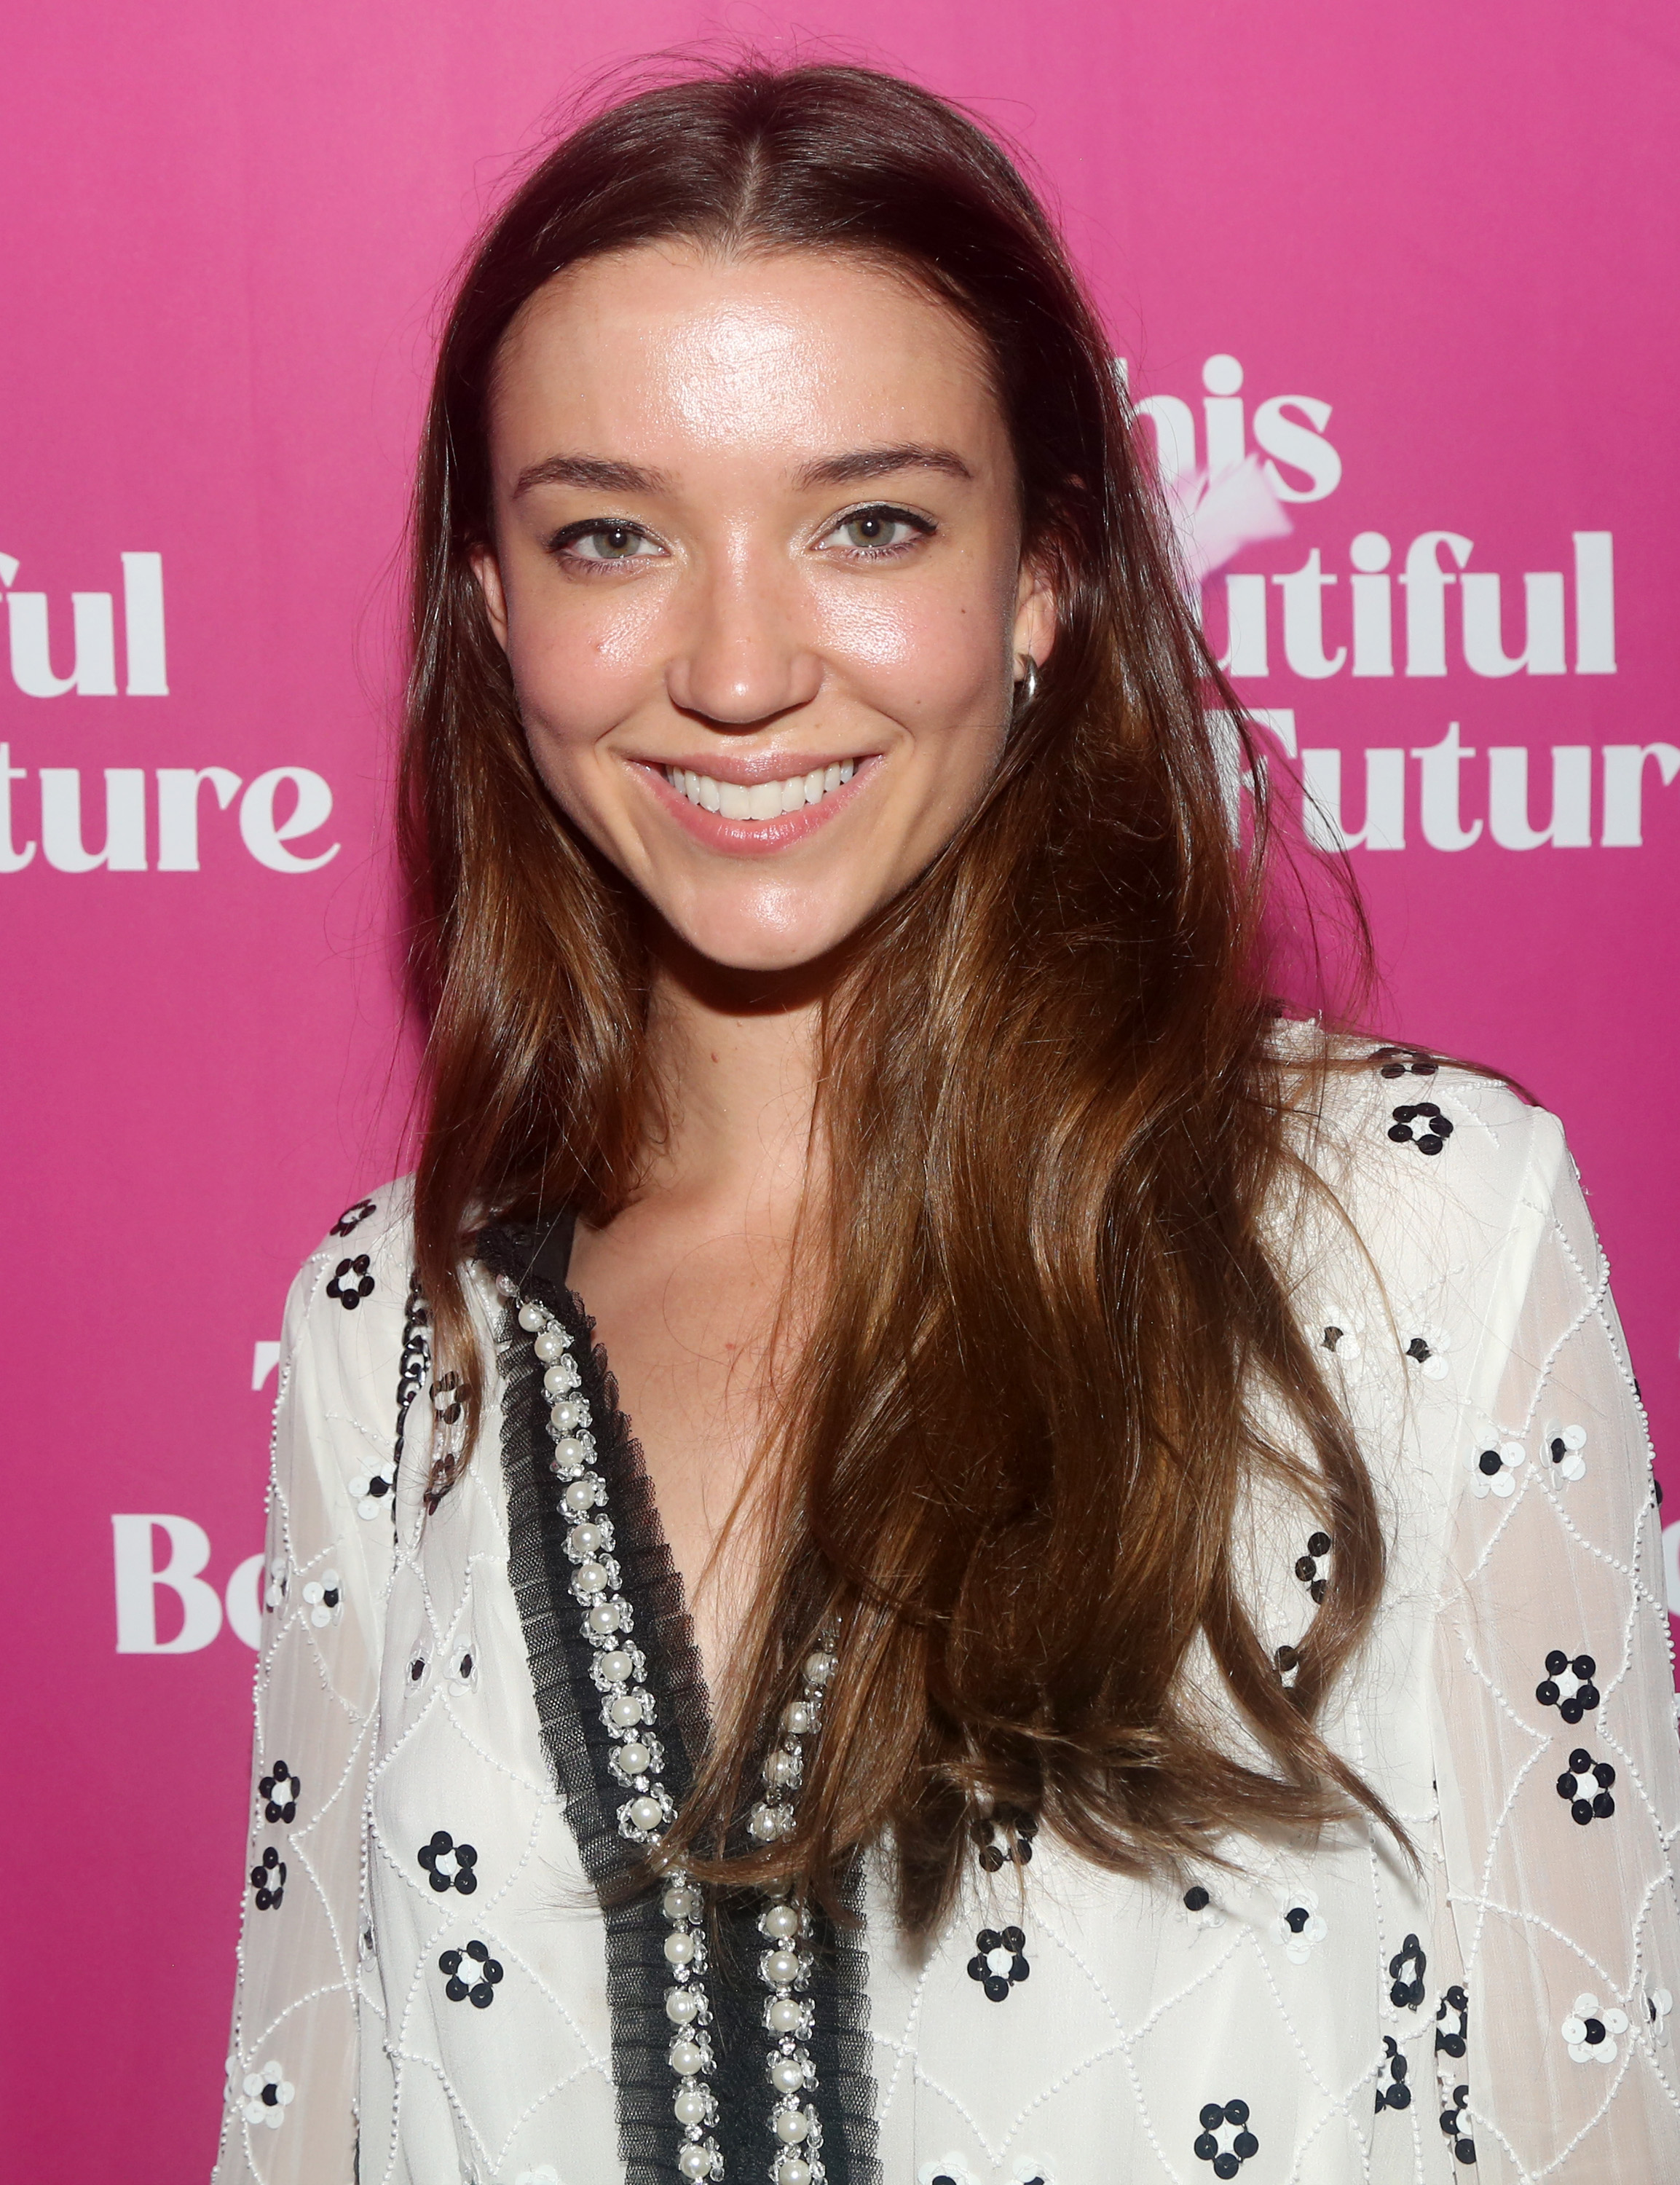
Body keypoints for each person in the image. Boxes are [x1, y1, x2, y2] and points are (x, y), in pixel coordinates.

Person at [213, 60, 1680, 2185]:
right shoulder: (391, 1329)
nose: (734, 665)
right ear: (490, 604)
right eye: (609, 534)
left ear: (1040, 580)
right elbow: (310, 2119)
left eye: (869, 523)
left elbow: (1596, 2116)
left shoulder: (1409, 1229)